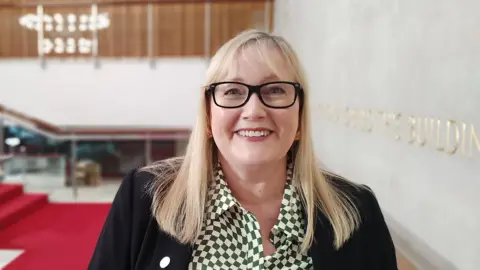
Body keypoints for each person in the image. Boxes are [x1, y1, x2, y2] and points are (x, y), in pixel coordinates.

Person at [88, 29, 398, 270]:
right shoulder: (146, 198)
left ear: (300, 117)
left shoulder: (357, 211)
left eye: (275, 90)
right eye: (233, 91)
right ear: (208, 116)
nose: (253, 110)